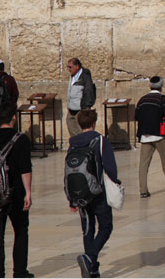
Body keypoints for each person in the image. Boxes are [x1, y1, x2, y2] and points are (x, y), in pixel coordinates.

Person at [0, 101, 33, 279]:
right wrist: (28, 192)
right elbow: (25, 168)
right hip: (15, 192)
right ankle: (20, 272)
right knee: (20, 230)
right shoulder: (20, 139)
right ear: (13, 118)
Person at [69, 109, 119, 278]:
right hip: (98, 191)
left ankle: (93, 268)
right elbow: (110, 166)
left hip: (80, 193)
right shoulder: (100, 140)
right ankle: (89, 258)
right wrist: (116, 183)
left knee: (88, 229)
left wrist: (72, 199)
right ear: (94, 122)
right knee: (106, 226)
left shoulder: (73, 143)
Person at [135, 76, 165, 198]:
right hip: (159, 135)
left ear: (149, 86)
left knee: (143, 164)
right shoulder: (162, 99)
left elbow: (136, 116)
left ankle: (143, 190)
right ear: (161, 87)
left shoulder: (142, 100)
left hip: (145, 136)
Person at [65, 58, 96, 138]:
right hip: (71, 108)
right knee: (70, 125)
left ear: (77, 66)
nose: (69, 69)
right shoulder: (72, 76)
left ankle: (83, 144)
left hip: (81, 108)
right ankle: (76, 142)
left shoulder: (85, 76)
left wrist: (86, 107)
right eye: (68, 67)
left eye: (70, 67)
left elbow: (88, 91)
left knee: (82, 129)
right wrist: (68, 104)